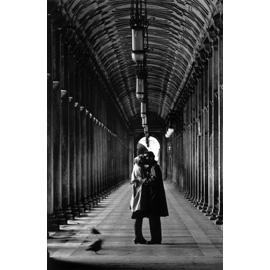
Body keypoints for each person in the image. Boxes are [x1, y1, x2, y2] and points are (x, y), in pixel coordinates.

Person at [144, 151, 169, 244]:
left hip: (154, 197)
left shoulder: (154, 167)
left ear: (151, 158)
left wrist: (145, 181)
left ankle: (155, 239)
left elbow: (153, 181)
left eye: (147, 157)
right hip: (155, 196)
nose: (146, 160)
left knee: (153, 219)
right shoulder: (155, 166)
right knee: (155, 219)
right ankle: (156, 238)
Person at [129, 154, 149, 244]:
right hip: (139, 195)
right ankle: (138, 237)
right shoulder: (139, 168)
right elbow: (141, 180)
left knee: (138, 218)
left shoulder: (135, 167)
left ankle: (138, 237)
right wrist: (148, 178)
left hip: (136, 195)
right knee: (139, 217)